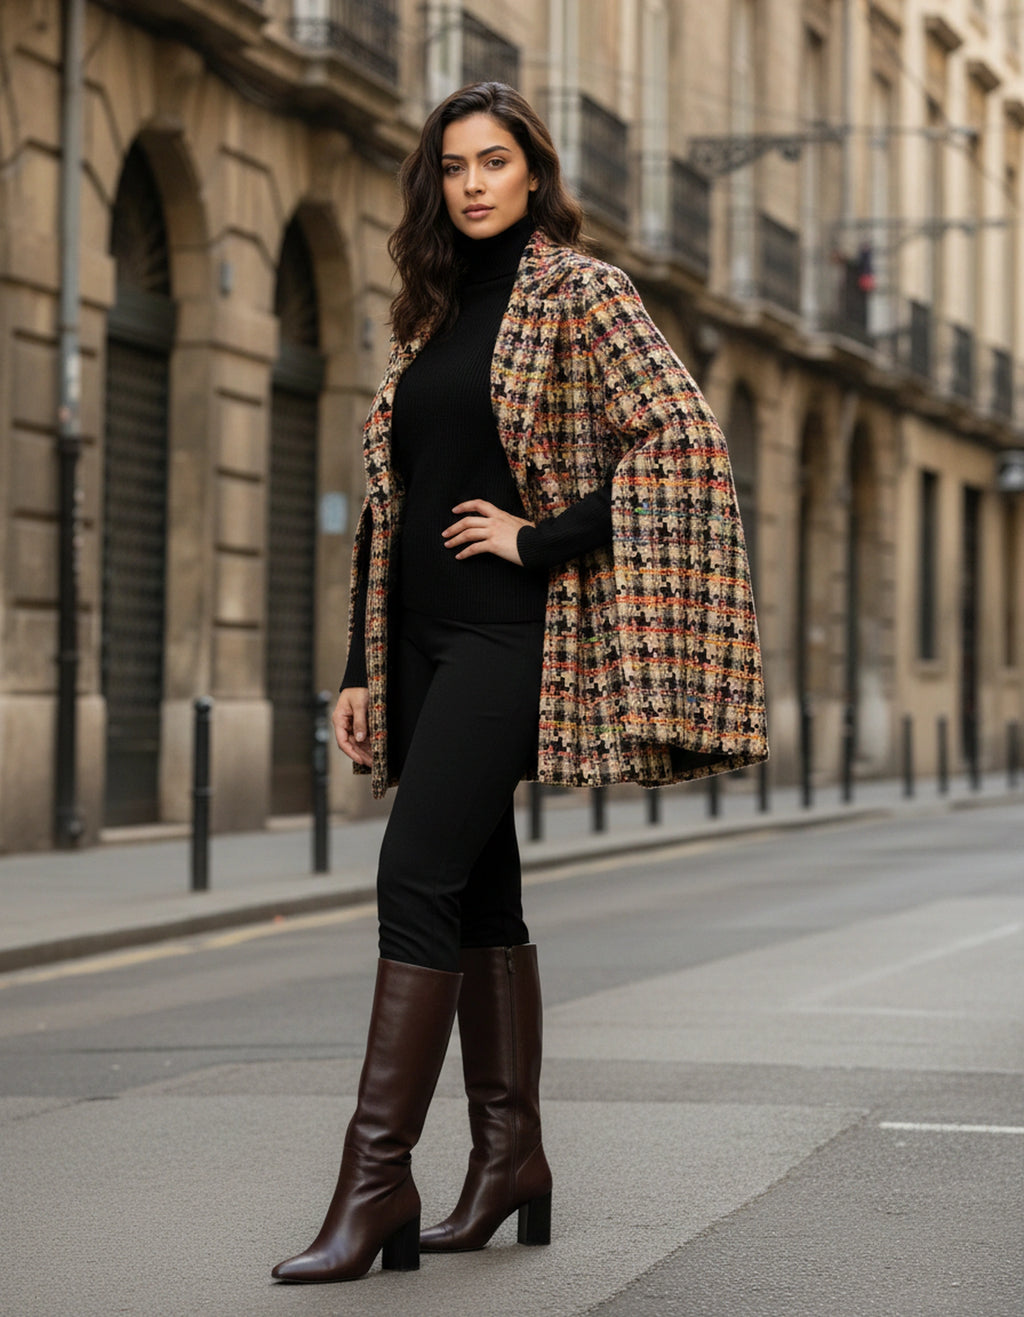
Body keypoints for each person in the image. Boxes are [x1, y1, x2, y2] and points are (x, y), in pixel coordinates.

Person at [272, 81, 767, 1285]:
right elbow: (391, 506)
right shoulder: (429, 313)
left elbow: (681, 439)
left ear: (533, 173)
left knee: (411, 878)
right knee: (478, 898)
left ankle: (375, 1182)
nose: (473, 184)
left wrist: (538, 538)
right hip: (418, 640)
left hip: (508, 637)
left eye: (494, 161)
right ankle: (510, 1161)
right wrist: (358, 669)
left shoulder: (582, 292)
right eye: (453, 167)